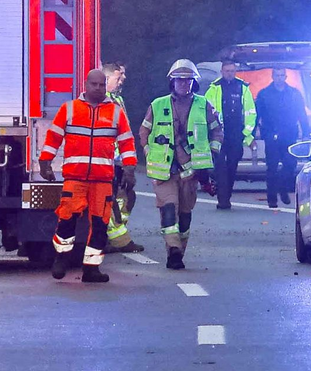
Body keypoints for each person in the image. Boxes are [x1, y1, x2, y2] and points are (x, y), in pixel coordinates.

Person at [39, 69, 137, 283]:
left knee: (100, 225)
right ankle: (61, 258)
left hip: (102, 180)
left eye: (102, 85)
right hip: (75, 178)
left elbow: (127, 142)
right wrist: (45, 160)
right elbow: (54, 136)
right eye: (94, 84)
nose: (99, 88)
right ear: (86, 85)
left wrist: (129, 168)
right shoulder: (70, 109)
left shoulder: (115, 112)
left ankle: (91, 269)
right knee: (66, 219)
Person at [139, 59, 223, 269]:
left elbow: (217, 131)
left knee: (184, 214)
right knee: (168, 209)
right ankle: (173, 251)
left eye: (187, 81)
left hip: (191, 172)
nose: (183, 84)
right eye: (179, 81)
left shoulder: (204, 105)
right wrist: (150, 154)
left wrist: (211, 154)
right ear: (172, 82)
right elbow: (144, 132)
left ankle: (180, 247)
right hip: (164, 171)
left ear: (194, 83)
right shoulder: (158, 105)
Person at [101, 62, 143, 253]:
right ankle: (117, 239)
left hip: (118, 161)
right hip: (109, 161)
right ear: (107, 79)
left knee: (125, 197)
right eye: (119, 77)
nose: (123, 79)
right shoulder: (104, 102)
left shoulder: (116, 99)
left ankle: (115, 235)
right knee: (112, 201)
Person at [204, 59, 256, 209]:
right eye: (227, 71)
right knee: (220, 167)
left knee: (232, 167)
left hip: (236, 135)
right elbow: (206, 112)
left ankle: (227, 194)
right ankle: (223, 200)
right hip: (218, 134)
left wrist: (247, 134)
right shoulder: (214, 89)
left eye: (232, 71)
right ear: (222, 72)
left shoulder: (242, 88)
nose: (230, 74)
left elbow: (250, 112)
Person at [255, 68, 309, 208]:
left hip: (290, 134)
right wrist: (252, 134)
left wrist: (306, 132)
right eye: (277, 75)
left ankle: (283, 187)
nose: (280, 78)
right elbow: (257, 115)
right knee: (271, 167)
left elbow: (301, 113)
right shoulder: (264, 94)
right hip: (271, 134)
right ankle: (272, 198)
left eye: (282, 75)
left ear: (285, 77)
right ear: (273, 77)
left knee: (290, 164)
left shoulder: (294, 94)